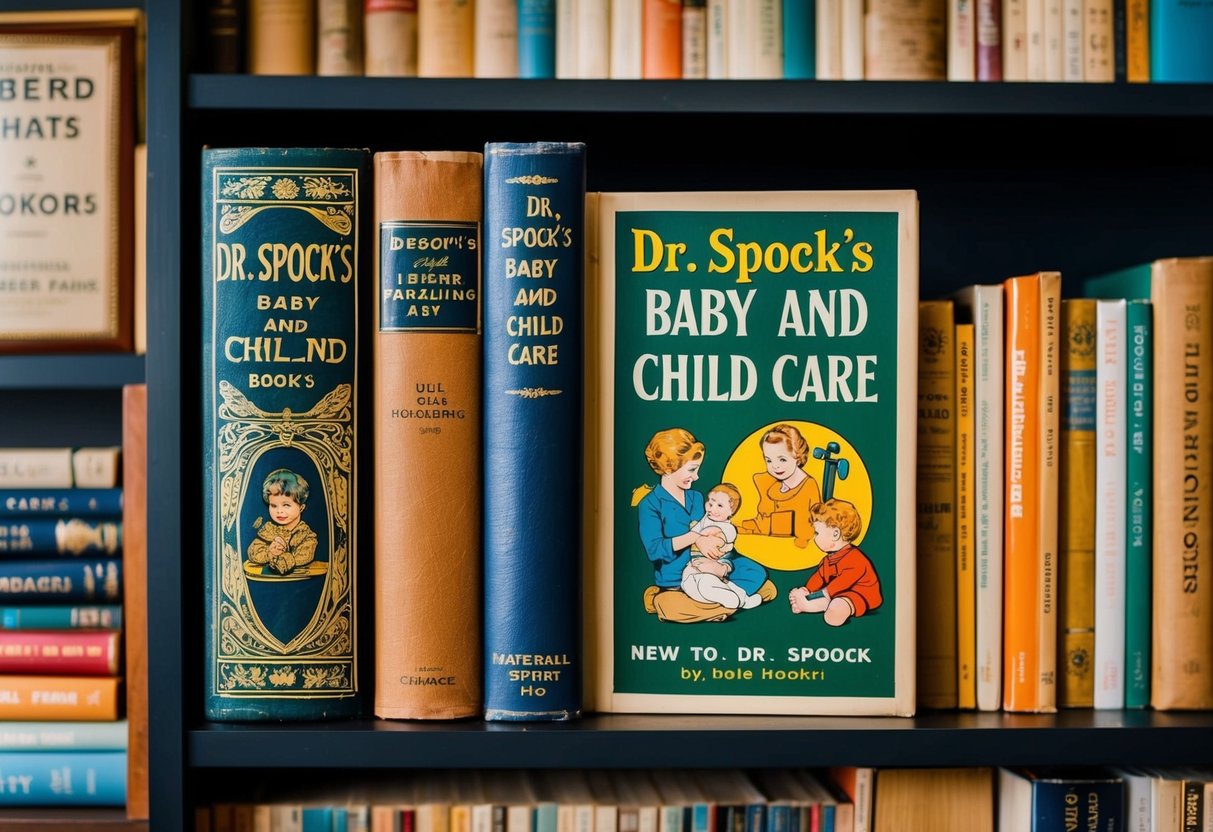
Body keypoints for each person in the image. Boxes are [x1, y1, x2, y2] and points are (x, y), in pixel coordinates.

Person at [636, 428, 776, 623]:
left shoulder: (697, 497)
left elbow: (715, 534)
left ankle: (717, 605)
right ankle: (715, 605)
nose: (697, 477)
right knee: (672, 604)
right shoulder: (650, 504)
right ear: (669, 467)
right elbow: (655, 550)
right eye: (692, 469)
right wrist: (695, 538)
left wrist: (722, 566)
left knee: (760, 576)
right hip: (678, 578)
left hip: (714, 568)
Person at [788, 498, 882, 627]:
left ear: (835, 534)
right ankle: (807, 604)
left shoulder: (855, 558)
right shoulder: (827, 560)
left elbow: (843, 582)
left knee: (842, 601)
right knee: (830, 599)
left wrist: (823, 593)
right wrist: (807, 590)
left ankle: (826, 608)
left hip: (862, 595)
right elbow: (819, 577)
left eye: (817, 533)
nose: (813, 537)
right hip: (835, 593)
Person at [738, 423, 822, 548]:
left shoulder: (808, 486)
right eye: (769, 460)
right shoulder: (768, 481)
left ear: (797, 458)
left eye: (782, 459)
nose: (775, 466)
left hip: (788, 546)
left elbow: (809, 525)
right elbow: (761, 520)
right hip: (761, 537)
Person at [680, 483, 763, 610]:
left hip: (716, 564)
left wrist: (701, 536)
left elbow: (717, 538)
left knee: (709, 581)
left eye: (719, 506)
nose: (712, 509)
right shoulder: (705, 519)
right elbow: (692, 535)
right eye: (710, 503)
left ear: (731, 512)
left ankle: (740, 599)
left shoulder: (729, 528)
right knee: (688, 580)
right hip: (695, 563)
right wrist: (696, 537)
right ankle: (726, 598)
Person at [247, 468, 317, 575]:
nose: (279, 511)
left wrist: (284, 559)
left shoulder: (305, 534)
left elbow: (306, 554)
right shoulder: (268, 530)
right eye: (274, 506)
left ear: (301, 508)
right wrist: (270, 552)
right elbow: (253, 551)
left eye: (286, 505)